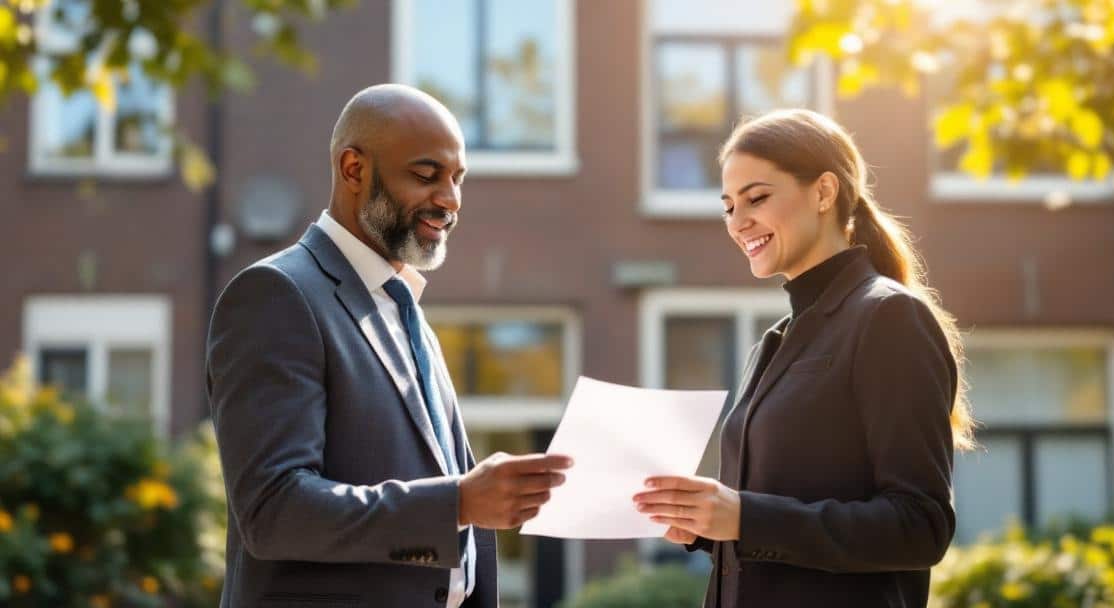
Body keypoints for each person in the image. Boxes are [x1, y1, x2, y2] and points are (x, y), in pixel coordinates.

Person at [206, 84, 572, 608]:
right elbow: (273, 509)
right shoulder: (277, 296)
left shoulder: (406, 311)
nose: (450, 200)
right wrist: (458, 503)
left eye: (457, 179)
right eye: (426, 176)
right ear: (353, 169)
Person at [633, 108, 975, 607]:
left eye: (757, 198)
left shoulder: (889, 318)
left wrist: (745, 517)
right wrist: (705, 525)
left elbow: (920, 525)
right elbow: (774, 523)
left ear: (824, 192)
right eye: (728, 206)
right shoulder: (772, 344)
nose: (738, 222)